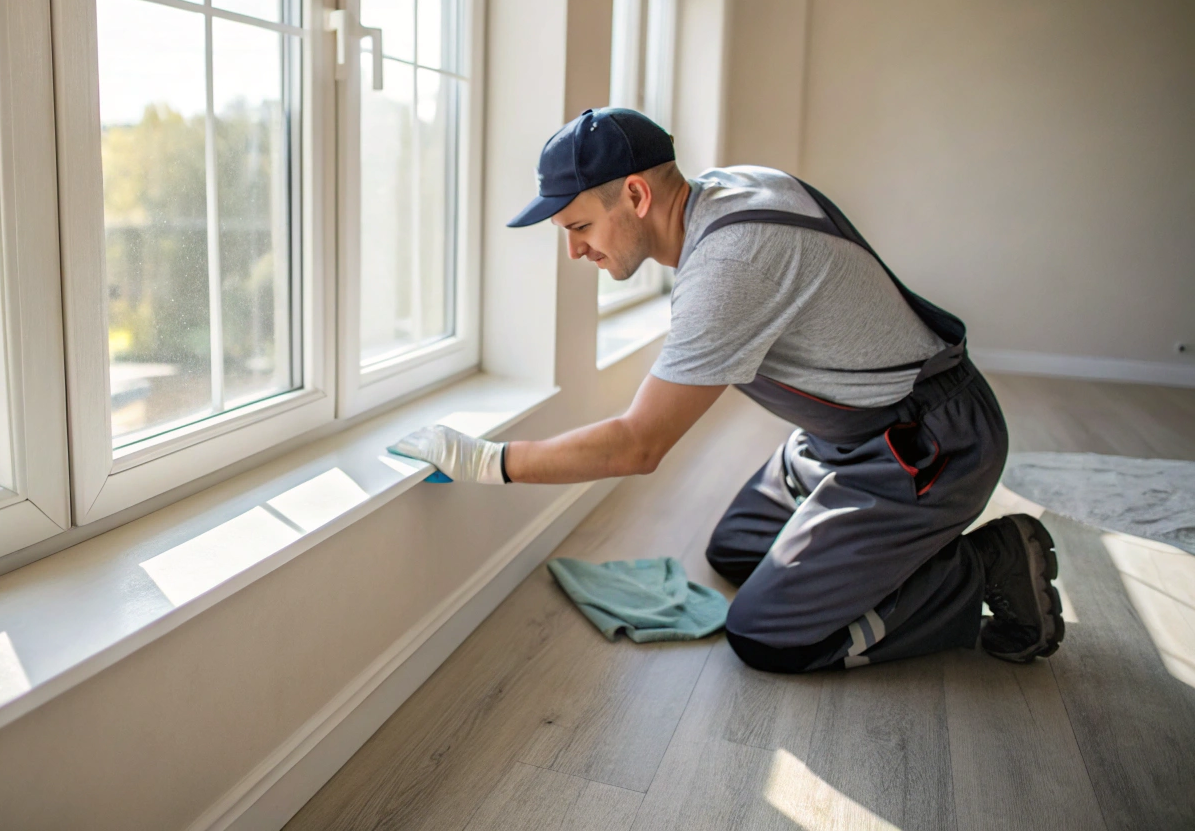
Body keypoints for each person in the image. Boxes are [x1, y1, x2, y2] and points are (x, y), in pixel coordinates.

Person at [390, 107, 1064, 672]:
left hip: (928, 443)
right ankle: (860, 553)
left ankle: (983, 566)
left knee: (769, 635)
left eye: (578, 228)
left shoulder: (728, 266)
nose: (574, 252)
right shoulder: (730, 191)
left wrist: (484, 462)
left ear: (634, 195)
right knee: (736, 549)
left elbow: (638, 444)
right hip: (846, 437)